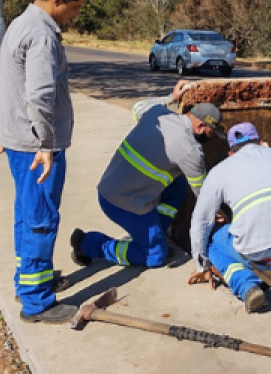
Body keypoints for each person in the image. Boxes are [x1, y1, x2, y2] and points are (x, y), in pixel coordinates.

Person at [0, 0, 91, 324]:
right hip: (35, 146)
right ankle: (36, 302)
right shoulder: (42, 34)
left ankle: (29, 281)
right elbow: (40, 94)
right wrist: (45, 145)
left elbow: (9, 83)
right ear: (57, 0)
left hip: (19, 139)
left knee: (27, 213)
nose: (75, 16)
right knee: (41, 219)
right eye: (74, 9)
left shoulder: (21, 22)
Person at [70, 80, 225, 270]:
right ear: (201, 126)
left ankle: (155, 231)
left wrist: (171, 98)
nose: (210, 138)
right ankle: (88, 244)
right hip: (123, 203)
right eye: (211, 133)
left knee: (179, 184)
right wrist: (217, 210)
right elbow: (203, 192)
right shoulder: (190, 151)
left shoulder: (158, 114)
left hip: (109, 186)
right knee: (156, 255)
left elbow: (139, 106)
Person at [187, 122, 271, 313]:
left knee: (215, 244)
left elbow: (201, 222)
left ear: (231, 153)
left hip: (259, 255)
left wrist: (202, 265)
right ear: (260, 143)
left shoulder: (219, 172)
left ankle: (247, 287)